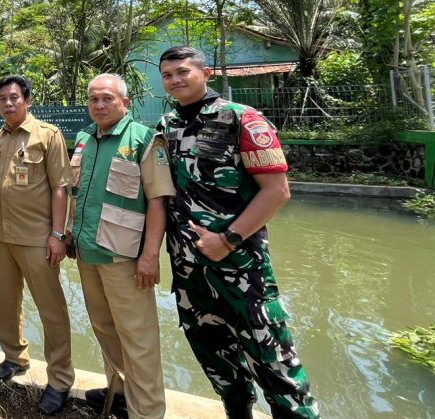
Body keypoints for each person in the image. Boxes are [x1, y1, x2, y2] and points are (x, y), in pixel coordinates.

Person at [157, 46, 319, 419]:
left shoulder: (243, 119)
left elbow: (277, 192)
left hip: (242, 268)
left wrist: (227, 239)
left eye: (183, 71)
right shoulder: (167, 125)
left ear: (205, 73)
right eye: (167, 75)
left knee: (274, 360)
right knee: (215, 358)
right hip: (189, 270)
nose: (175, 80)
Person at [68, 74, 172, 419]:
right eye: (93, 99)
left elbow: (158, 200)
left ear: (124, 103)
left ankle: (148, 412)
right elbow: (77, 194)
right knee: (104, 327)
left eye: (107, 98)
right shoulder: (84, 138)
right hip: (87, 252)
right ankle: (121, 390)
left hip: (124, 258)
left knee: (138, 339)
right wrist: (68, 233)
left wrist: (150, 256)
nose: (99, 105)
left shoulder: (144, 140)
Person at [0, 75, 74, 416]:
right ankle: (13, 357)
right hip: (1, 236)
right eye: (2, 98)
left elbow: (61, 187)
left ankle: (60, 379)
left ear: (27, 100)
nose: (8, 103)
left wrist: (58, 234)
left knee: (51, 309)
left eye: (14, 97)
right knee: (5, 301)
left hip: (37, 237)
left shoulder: (47, 135)